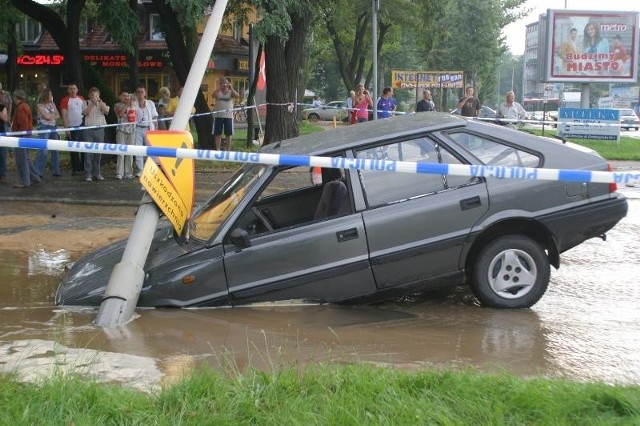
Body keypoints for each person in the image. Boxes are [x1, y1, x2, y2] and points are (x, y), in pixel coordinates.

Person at [11, 89, 40, 189]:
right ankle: (34, 178)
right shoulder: (25, 106)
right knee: (26, 158)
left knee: (21, 159)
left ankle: (25, 181)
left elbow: (23, 124)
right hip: (26, 135)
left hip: (21, 136)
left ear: (15, 97)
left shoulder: (21, 108)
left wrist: (18, 135)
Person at [82, 87, 110, 182]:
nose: (95, 97)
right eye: (93, 95)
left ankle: (97, 173)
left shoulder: (102, 103)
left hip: (100, 129)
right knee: (88, 153)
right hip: (88, 129)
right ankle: (88, 174)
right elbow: (85, 113)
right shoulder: (85, 103)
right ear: (89, 96)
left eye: (97, 95)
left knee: (98, 152)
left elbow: (106, 111)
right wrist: (92, 104)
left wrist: (99, 102)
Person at [34, 88, 62, 178]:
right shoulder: (40, 106)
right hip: (44, 127)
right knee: (43, 150)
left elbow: (58, 115)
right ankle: (38, 171)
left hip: (53, 127)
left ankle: (56, 171)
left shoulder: (52, 104)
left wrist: (51, 116)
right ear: (46, 96)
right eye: (50, 94)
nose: (52, 96)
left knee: (55, 149)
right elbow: (46, 117)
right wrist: (52, 116)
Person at [60, 83, 85, 175]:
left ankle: (83, 167)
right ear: (68, 90)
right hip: (71, 126)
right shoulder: (65, 100)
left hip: (82, 126)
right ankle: (75, 168)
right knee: (74, 149)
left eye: (74, 88)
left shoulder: (81, 99)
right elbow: (64, 115)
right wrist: (66, 128)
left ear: (77, 89)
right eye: (70, 89)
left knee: (83, 148)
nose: (73, 90)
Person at [133, 84, 158, 175]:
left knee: (151, 149)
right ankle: (141, 169)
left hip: (148, 129)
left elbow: (155, 116)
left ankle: (153, 168)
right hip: (138, 128)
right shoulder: (134, 104)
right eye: (138, 92)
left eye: (142, 92)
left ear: (145, 93)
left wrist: (156, 127)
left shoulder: (150, 103)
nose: (140, 94)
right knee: (138, 149)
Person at [114, 90, 136, 180]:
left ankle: (128, 172)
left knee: (130, 152)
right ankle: (119, 173)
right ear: (120, 97)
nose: (126, 97)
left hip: (132, 130)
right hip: (121, 130)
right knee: (120, 152)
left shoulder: (133, 105)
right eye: (124, 96)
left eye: (127, 96)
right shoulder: (117, 105)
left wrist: (131, 104)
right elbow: (120, 115)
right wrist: (126, 105)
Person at [212, 78, 239, 151]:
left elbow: (237, 96)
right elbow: (213, 96)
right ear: (220, 84)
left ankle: (228, 150)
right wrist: (219, 89)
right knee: (217, 133)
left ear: (228, 84)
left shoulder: (230, 92)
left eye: (225, 83)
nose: (224, 85)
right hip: (218, 116)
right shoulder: (218, 92)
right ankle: (218, 149)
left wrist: (232, 88)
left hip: (228, 116)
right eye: (222, 83)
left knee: (228, 133)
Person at [0, 102, 8, 184]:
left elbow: (5, 119)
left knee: (2, 155)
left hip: (1, 135)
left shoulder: (2, 107)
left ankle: (2, 175)